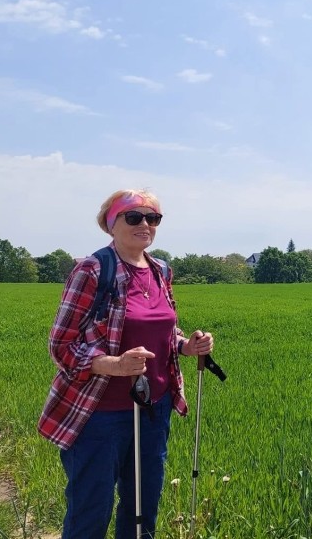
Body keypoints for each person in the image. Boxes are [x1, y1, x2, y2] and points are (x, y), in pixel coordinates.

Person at [37, 189, 214, 539]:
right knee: (91, 511)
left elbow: (161, 332)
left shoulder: (161, 270)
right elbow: (60, 345)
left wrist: (185, 346)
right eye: (134, 217)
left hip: (153, 409)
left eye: (153, 218)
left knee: (142, 511)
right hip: (99, 415)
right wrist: (112, 364)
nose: (145, 224)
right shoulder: (92, 270)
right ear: (111, 223)